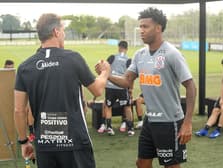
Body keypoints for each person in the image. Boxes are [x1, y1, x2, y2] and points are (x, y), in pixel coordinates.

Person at [96, 7, 196, 168]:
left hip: (169, 121)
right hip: (150, 120)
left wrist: (187, 122)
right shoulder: (139, 55)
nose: (141, 30)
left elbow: (190, 86)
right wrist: (107, 74)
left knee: (171, 165)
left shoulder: (172, 54)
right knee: (142, 163)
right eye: (140, 26)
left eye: (145, 26)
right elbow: (127, 81)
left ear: (158, 28)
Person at [14, 13, 110, 168]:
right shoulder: (73, 58)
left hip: (45, 146)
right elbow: (97, 90)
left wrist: (24, 141)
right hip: (75, 143)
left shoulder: (25, 67)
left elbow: (19, 110)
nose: (64, 35)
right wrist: (105, 72)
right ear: (56, 32)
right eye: (63, 31)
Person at [97, 41, 135, 136]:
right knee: (127, 107)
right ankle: (130, 128)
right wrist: (130, 89)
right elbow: (131, 76)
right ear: (127, 49)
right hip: (122, 86)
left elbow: (104, 69)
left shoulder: (112, 57)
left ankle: (109, 128)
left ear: (119, 47)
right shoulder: (128, 60)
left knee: (108, 106)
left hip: (110, 86)